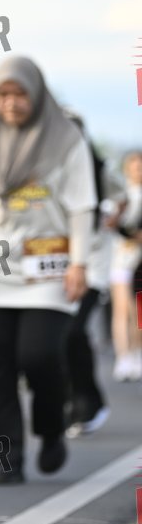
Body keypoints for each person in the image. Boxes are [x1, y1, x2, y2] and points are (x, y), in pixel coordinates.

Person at [0, 59, 96, 483]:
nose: (11, 103)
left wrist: (80, 263)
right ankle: (8, 458)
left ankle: (51, 426)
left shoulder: (66, 140)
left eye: (20, 94)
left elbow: (81, 207)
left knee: (39, 356)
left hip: (47, 268)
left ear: (36, 95)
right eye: (3, 94)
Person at [62, 114, 118, 436]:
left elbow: (122, 198)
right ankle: (69, 399)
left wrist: (114, 217)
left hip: (93, 264)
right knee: (55, 338)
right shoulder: (49, 166)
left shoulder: (100, 169)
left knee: (72, 331)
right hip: (58, 265)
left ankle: (87, 401)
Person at [106, 150, 142, 382]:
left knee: (138, 311)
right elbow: (111, 224)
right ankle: (123, 356)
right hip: (120, 259)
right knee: (121, 310)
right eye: (134, 166)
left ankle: (137, 353)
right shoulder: (119, 196)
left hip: (140, 261)